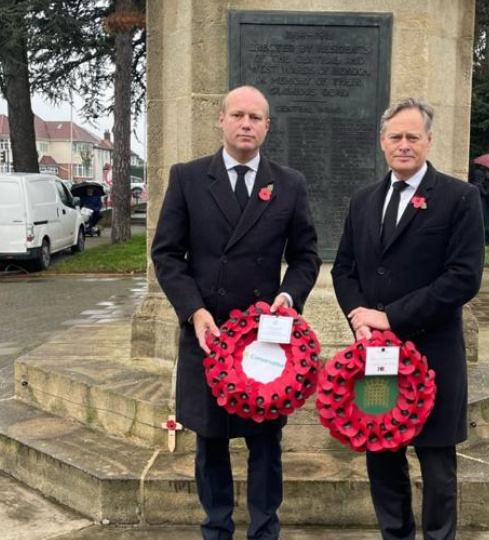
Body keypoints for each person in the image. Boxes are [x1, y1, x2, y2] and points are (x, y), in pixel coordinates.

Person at [151, 85, 321, 540]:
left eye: (256, 117)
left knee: (266, 443)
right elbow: (167, 254)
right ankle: (216, 528)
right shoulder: (187, 177)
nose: (247, 124)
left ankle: (265, 529)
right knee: (211, 442)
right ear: (221, 120)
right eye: (239, 115)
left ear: (267, 127)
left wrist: (288, 297)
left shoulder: (289, 183)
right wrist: (194, 311)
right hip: (209, 334)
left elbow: (306, 257)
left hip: (265, 342)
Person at [331, 98, 484, 540]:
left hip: (433, 355)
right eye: (395, 136)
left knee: (437, 468)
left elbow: (463, 278)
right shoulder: (363, 201)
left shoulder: (459, 198)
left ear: (429, 141)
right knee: (382, 457)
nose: (403, 145)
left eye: (412, 137)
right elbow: (345, 269)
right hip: (375, 361)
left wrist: (389, 318)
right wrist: (360, 319)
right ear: (382, 142)